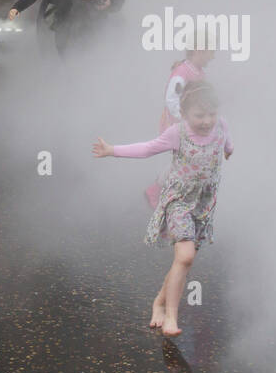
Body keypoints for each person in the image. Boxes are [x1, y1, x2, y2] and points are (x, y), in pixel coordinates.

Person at [92, 80, 233, 337]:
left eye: (211, 114)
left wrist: (229, 150)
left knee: (182, 260)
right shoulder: (177, 133)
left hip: (203, 204)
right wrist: (112, 150)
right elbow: (147, 148)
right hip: (178, 201)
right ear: (185, 113)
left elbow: (227, 143)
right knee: (186, 257)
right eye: (199, 115)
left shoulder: (221, 126)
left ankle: (158, 302)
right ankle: (171, 318)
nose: (206, 121)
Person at [145, 47, 216, 208]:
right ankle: (157, 192)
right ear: (199, 50)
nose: (213, 57)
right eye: (210, 52)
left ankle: (166, 194)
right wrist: (185, 121)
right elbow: (171, 100)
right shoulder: (182, 73)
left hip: (189, 126)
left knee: (188, 162)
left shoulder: (197, 72)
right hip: (176, 125)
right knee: (183, 163)